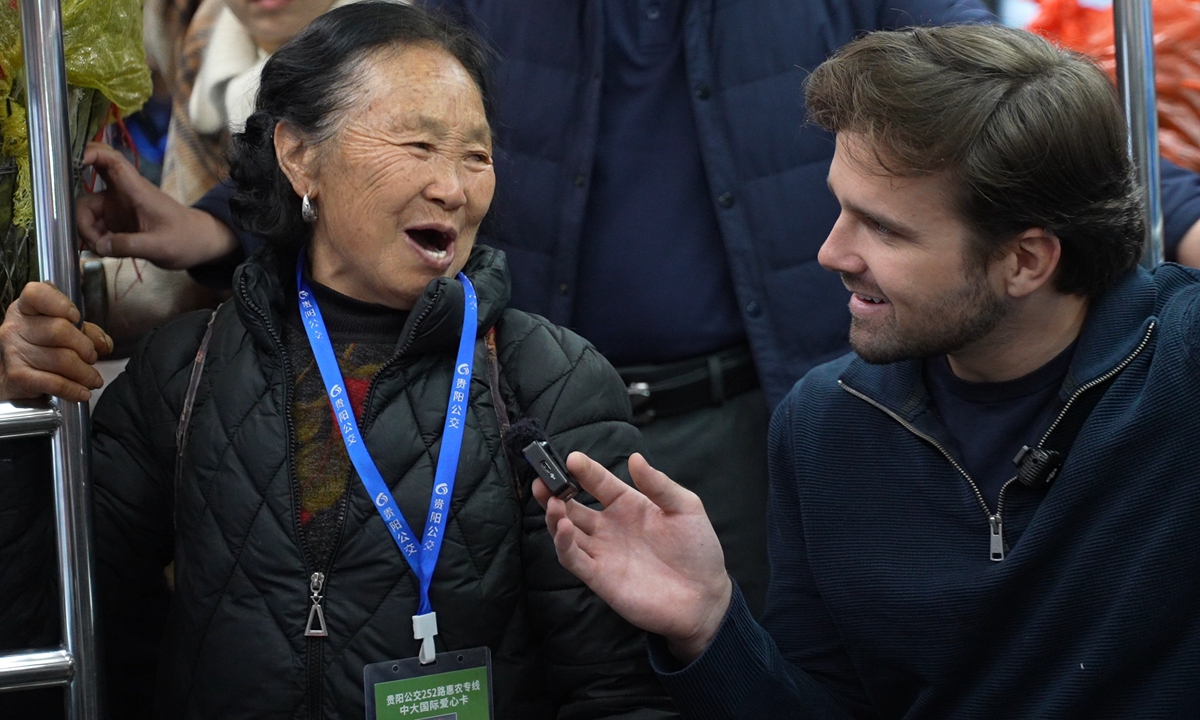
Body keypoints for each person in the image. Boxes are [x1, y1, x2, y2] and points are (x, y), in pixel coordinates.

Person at [79, 0, 1200, 618]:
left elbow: (1009, 113)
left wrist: (1179, 206)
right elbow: (387, 121)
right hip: (529, 420)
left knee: (766, 668)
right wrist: (222, 223)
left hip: (759, 416)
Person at [0, 4, 678, 717]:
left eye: (476, 156)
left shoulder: (548, 379)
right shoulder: (188, 369)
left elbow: (611, 687)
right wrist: (17, 410)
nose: (453, 187)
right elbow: (63, 625)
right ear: (299, 156)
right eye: (417, 145)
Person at [533, 24, 1200, 717]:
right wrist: (709, 625)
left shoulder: (1177, 367)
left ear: (1026, 261)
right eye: (839, 207)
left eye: (885, 229)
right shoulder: (826, 425)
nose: (832, 252)